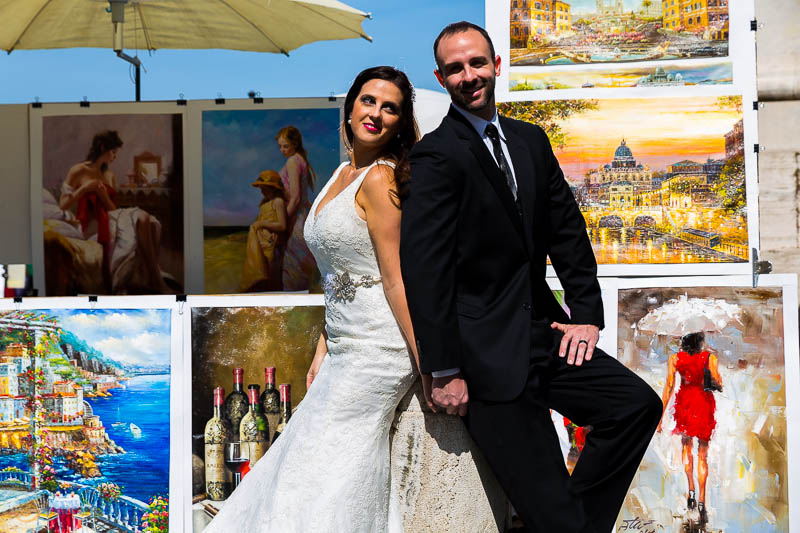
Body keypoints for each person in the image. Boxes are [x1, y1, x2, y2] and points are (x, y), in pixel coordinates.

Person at [399, 22, 663, 532]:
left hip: (546, 336)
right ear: (440, 76)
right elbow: (424, 270)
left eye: (477, 63)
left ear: (497, 65)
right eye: (455, 69)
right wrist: (444, 368)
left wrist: (585, 313)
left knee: (635, 406)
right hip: (484, 357)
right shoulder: (436, 155)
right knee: (552, 512)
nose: (468, 76)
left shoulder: (530, 140)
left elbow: (566, 229)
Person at [204, 66, 429, 532]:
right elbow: (337, 275)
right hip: (343, 344)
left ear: (400, 122)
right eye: (368, 101)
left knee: (326, 459)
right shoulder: (341, 174)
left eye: (390, 108)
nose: (376, 113)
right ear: (349, 110)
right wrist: (324, 344)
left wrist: (428, 363)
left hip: (379, 349)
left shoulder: (380, 180)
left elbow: (394, 279)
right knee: (308, 453)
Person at [58, 130, 172, 294]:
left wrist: (103, 196)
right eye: (113, 152)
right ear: (103, 148)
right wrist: (84, 189)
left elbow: (113, 209)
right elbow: (62, 205)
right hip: (92, 224)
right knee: (142, 218)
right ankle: (157, 282)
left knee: (147, 221)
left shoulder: (109, 175)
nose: (115, 156)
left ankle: (154, 280)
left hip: (111, 219)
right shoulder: (78, 170)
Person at [657, 331, 722, 525]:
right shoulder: (710, 358)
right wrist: (709, 378)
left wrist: (660, 416)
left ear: (683, 340)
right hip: (703, 405)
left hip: (685, 406)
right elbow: (718, 382)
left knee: (687, 450)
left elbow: (669, 386)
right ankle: (702, 501)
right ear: (700, 341)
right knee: (703, 455)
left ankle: (691, 492)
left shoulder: (675, 358)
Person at [275, 126, 318, 290]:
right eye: (280, 146)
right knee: (300, 269)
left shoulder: (293, 161)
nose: (282, 150)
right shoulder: (301, 159)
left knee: (293, 269)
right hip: (303, 217)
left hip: (296, 220)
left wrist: (283, 221)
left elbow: (296, 197)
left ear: (295, 144)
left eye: (285, 146)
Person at [239, 170, 288, 292]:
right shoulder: (265, 204)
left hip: (271, 244)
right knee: (262, 272)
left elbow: (282, 226)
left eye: (264, 188)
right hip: (261, 244)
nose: (261, 191)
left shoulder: (278, 202)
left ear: (272, 188)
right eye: (261, 188)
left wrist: (261, 224)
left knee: (271, 276)